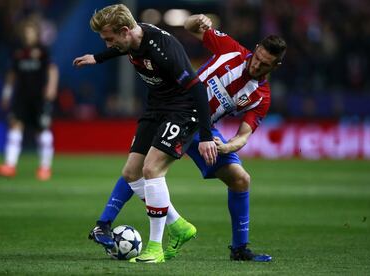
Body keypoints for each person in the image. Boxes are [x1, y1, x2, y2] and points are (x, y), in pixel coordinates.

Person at [78, 13, 287, 263]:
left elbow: (244, 135)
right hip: (180, 111)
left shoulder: (260, 97)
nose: (256, 66)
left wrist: (226, 146)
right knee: (143, 168)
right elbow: (190, 28)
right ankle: (114, 223)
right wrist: (197, 20)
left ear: (275, 67)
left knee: (241, 180)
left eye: (264, 65)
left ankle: (239, 249)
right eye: (257, 59)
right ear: (255, 49)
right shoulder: (231, 49)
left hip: (205, 130)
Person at [73, 4, 217, 263]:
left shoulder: (164, 50)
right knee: (131, 173)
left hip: (183, 111)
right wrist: (98, 57)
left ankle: (155, 248)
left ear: (126, 30)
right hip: (157, 108)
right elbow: (121, 48)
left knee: (151, 170)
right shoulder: (132, 39)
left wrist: (206, 135)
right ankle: (179, 226)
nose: (108, 44)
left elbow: (197, 89)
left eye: (109, 39)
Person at [0, 19, 59, 181]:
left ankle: (45, 168)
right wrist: (6, 94)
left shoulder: (43, 51)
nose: (27, 35)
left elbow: (53, 69)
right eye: (26, 32)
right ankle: (10, 165)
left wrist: (51, 87)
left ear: (36, 34)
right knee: (15, 125)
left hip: (39, 97)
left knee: (42, 130)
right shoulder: (18, 52)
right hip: (21, 96)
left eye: (30, 32)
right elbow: (12, 75)